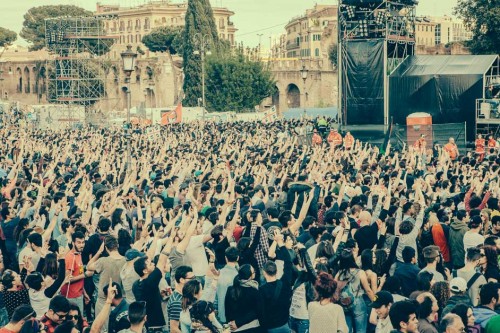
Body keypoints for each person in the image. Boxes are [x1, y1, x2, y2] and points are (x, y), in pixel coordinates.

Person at [259, 230, 293, 333]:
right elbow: (288, 262)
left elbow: (260, 311)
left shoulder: (262, 290)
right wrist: (280, 242)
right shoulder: (285, 283)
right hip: (285, 325)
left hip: (270, 327)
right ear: (277, 270)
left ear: (264, 273)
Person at [132, 250, 170, 331]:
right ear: (145, 271)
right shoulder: (150, 282)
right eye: (150, 264)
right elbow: (162, 260)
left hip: (145, 324)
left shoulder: (136, 285)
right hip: (155, 325)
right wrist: (171, 238)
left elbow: (147, 298)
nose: (153, 264)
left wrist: (159, 295)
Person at [225, 264, 264, 333]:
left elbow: (227, 310)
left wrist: (232, 324)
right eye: (253, 271)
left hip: (235, 328)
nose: (255, 272)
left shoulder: (230, 289)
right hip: (251, 327)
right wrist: (238, 323)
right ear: (250, 276)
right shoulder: (255, 291)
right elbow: (258, 311)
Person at [60, 231, 86, 314]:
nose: (81, 245)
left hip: (79, 294)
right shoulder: (70, 257)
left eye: (83, 242)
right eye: (78, 242)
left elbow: (79, 273)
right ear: (73, 243)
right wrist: (85, 275)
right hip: (71, 296)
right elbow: (67, 279)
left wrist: (84, 293)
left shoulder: (78, 254)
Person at [167, 266, 196, 333]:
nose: (194, 281)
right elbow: (174, 329)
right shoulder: (177, 301)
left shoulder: (184, 296)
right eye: (192, 278)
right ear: (182, 280)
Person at [214, 247, 239, 324]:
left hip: (221, 315)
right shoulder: (238, 275)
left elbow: (214, 296)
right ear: (238, 258)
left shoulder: (218, 274)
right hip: (235, 317)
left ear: (226, 258)